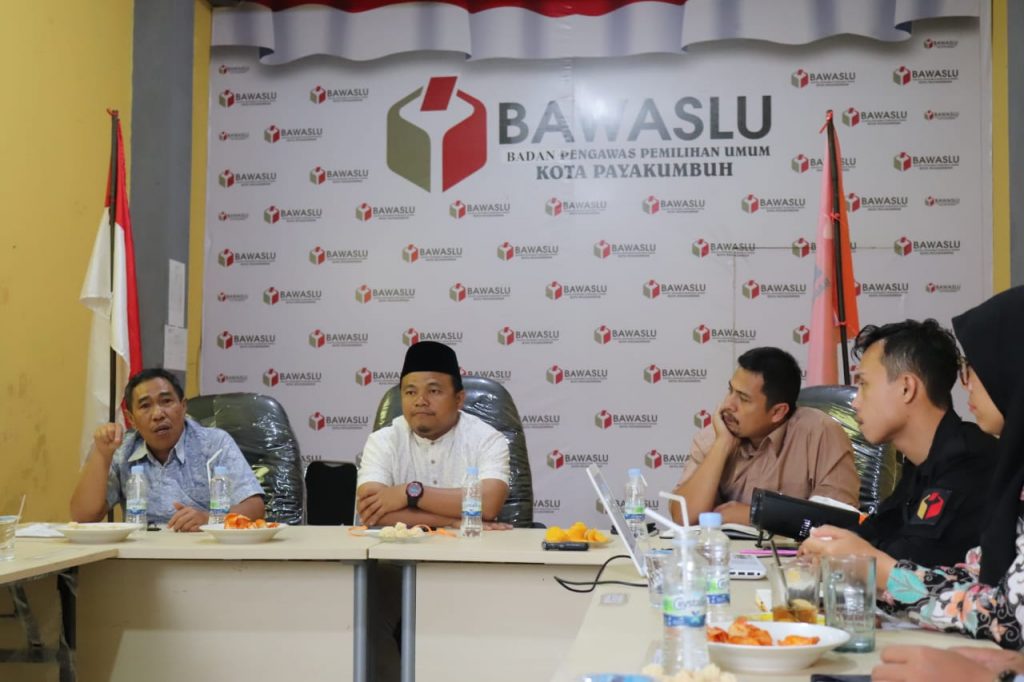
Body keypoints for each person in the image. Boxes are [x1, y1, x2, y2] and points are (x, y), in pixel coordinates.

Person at [801, 286, 1024, 652]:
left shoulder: (975, 463)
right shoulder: (928, 463)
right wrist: (871, 571)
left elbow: (1006, 617)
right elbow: (976, 580)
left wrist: (877, 571)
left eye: (974, 369)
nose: (967, 383)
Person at [851, 320, 997, 566]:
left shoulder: (970, 462)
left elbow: (910, 563)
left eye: (864, 384)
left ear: (906, 388)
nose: (855, 402)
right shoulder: (921, 461)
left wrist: (845, 552)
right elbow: (879, 530)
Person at [671, 346, 859, 525]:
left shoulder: (820, 433)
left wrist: (753, 514)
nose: (728, 404)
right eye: (731, 391)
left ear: (777, 412)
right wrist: (722, 445)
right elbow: (683, 518)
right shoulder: (716, 435)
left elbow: (839, 519)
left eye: (743, 398)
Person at [70, 368, 265, 531]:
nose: (158, 414)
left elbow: (255, 508)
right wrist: (102, 455)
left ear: (183, 406)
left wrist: (209, 519)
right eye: (145, 406)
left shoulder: (215, 443)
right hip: (141, 555)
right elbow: (83, 517)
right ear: (131, 419)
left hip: (204, 553)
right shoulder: (123, 450)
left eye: (166, 401)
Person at [356, 340, 511, 527]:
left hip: (469, 545)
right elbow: (371, 512)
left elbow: (489, 504)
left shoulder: (486, 439)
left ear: (459, 399)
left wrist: (409, 493)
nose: (420, 401)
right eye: (410, 392)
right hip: (403, 547)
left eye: (434, 391)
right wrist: (453, 521)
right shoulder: (383, 440)